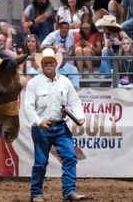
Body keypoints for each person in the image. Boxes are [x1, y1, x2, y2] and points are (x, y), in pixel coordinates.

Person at [24, 48, 86, 202]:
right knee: (40, 162)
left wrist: (80, 116)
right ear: (41, 64)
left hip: (60, 126)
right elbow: (28, 107)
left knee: (70, 157)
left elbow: (75, 101)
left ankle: (69, 192)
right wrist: (39, 122)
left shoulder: (65, 82)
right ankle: (36, 194)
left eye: (51, 62)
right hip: (41, 128)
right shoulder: (33, 83)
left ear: (56, 63)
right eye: (45, 62)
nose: (48, 65)